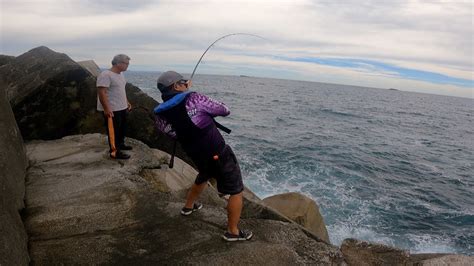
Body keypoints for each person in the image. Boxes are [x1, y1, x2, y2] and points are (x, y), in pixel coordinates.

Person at [153, 71, 253, 241]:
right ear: (176, 86)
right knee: (236, 189)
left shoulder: (160, 113)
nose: (186, 83)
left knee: (204, 175)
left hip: (195, 153)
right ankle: (233, 232)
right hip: (217, 151)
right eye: (183, 82)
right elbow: (224, 110)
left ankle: (188, 207)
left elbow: (171, 133)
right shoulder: (194, 99)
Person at [97, 54, 133, 159]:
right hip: (112, 109)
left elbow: (120, 90)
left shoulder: (120, 75)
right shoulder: (106, 75)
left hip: (122, 107)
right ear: (118, 63)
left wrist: (127, 102)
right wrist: (107, 108)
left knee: (122, 128)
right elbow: (101, 92)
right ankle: (114, 151)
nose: (127, 65)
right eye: (126, 63)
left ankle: (120, 144)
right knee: (114, 130)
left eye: (128, 63)